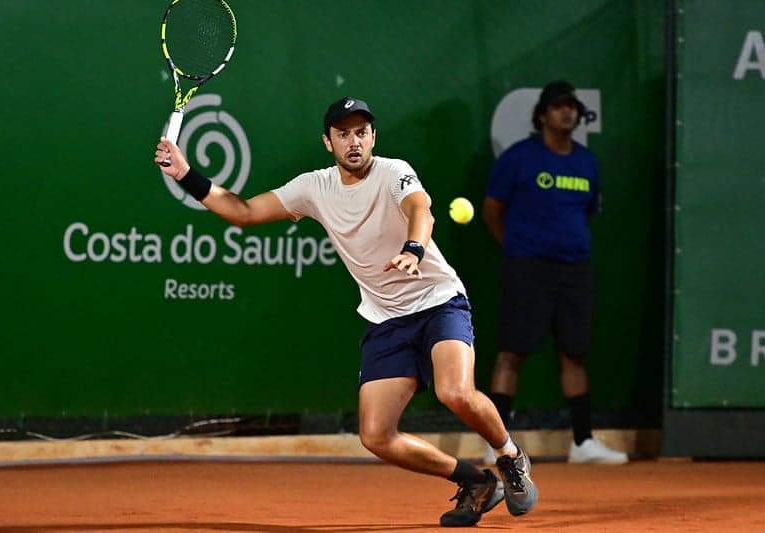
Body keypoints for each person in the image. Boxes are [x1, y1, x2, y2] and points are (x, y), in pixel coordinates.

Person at [154, 97, 538, 526]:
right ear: (328, 142)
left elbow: (420, 210)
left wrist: (413, 249)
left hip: (437, 300)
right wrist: (186, 174)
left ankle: (510, 456)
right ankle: (475, 481)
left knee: (454, 391)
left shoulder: (394, 171)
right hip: (385, 317)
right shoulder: (313, 188)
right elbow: (244, 212)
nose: (353, 142)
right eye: (343, 134)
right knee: (376, 436)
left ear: (373, 136)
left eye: (361, 132)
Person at [482, 81, 628, 465]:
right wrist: (518, 249)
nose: (568, 112)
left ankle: (582, 443)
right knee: (511, 352)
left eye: (572, 107)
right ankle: (495, 442)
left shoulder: (586, 162)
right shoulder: (518, 158)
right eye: (559, 106)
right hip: (526, 269)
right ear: (543, 115)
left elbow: (587, 211)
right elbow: (492, 211)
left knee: (574, 354)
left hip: (575, 270)